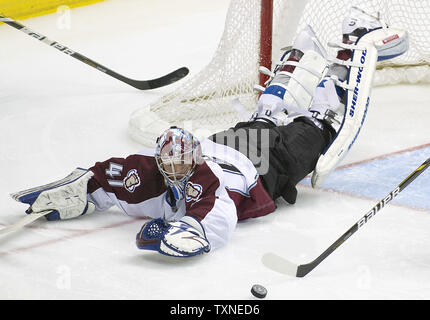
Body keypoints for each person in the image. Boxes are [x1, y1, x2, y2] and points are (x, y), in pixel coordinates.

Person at [11, 7, 408, 258]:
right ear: (160, 159)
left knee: (313, 132)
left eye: (184, 160)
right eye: (172, 161)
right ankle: (287, 88)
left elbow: (212, 221)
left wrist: (179, 236)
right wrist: (80, 190)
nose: (178, 168)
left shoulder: (202, 182)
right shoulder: (146, 171)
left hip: (258, 170)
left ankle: (330, 77)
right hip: (233, 150)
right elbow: (105, 175)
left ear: (193, 157)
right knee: (264, 124)